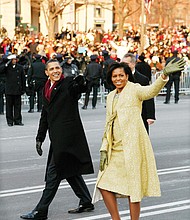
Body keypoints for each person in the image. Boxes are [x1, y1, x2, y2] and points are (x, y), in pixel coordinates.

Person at [92, 59, 185, 220]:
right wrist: (104, 147)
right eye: (115, 76)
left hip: (132, 146)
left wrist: (163, 75)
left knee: (133, 187)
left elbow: (151, 91)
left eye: (121, 75)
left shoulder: (134, 89)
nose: (118, 79)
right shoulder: (111, 96)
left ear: (127, 76)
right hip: (114, 149)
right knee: (103, 184)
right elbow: (108, 124)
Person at [20, 59, 94, 220]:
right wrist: (40, 137)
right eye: (52, 69)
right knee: (70, 171)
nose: (55, 71)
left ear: (61, 70)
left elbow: (78, 88)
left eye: (58, 68)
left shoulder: (67, 84)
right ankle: (86, 201)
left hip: (69, 137)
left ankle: (41, 210)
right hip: (57, 138)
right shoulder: (46, 89)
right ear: (46, 72)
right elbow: (45, 116)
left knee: (53, 174)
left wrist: (82, 82)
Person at [122, 53, 155, 133]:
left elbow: (148, 96)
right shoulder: (119, 78)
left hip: (140, 113)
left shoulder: (143, 79)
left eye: (126, 64)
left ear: (133, 64)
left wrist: (150, 116)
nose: (123, 66)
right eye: (122, 63)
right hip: (124, 114)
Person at [0, 54, 25, 126]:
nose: (15, 61)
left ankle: (18, 120)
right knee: (9, 106)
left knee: (17, 106)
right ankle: (10, 121)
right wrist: (6, 64)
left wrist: (23, 88)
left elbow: (22, 78)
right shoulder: (7, 67)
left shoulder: (20, 67)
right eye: (13, 59)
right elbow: (1, 70)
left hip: (17, 89)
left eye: (15, 59)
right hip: (9, 89)